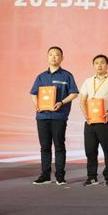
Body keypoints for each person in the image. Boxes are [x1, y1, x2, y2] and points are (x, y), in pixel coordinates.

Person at [30, 46, 79, 185]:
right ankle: (45, 175)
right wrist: (36, 104)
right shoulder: (41, 76)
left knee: (59, 146)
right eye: (51, 54)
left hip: (59, 116)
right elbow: (34, 93)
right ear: (47, 57)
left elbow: (74, 93)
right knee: (45, 147)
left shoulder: (67, 76)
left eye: (57, 55)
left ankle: (60, 176)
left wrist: (61, 102)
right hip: (42, 116)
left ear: (62, 58)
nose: (53, 57)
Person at [78, 54, 108, 187]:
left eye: (102, 62)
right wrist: (86, 115)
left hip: (106, 120)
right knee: (90, 150)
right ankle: (92, 177)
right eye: (96, 63)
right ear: (93, 65)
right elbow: (82, 100)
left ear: (107, 65)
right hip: (90, 121)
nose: (99, 65)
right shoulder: (88, 81)